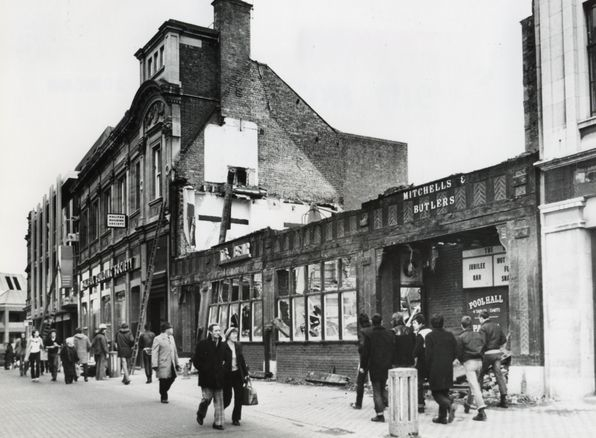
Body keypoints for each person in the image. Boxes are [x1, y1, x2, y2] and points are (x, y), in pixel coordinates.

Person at [193, 323, 229, 431]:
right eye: (216, 331)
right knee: (206, 398)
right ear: (210, 332)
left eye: (219, 331)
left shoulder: (223, 345)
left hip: (219, 378)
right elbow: (196, 360)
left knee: (219, 401)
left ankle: (218, 423)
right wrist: (204, 369)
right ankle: (201, 413)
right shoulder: (202, 344)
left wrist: (224, 370)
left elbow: (227, 359)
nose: (218, 333)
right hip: (206, 377)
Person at [361, 313, 394, 423]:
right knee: (383, 387)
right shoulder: (389, 334)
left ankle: (380, 415)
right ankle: (395, 408)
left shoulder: (370, 335)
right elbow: (392, 349)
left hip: (374, 365)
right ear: (382, 321)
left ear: (372, 321)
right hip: (386, 365)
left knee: (376, 391)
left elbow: (365, 353)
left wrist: (363, 366)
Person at [425, 314, 457, 425]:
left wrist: (427, 370)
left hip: (435, 367)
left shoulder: (430, 336)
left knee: (436, 392)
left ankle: (449, 405)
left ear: (432, 324)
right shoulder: (450, 335)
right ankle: (442, 417)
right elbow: (455, 352)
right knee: (444, 391)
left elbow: (428, 355)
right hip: (447, 367)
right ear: (443, 323)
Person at [457, 315, 487, 421]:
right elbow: (484, 347)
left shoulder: (461, 337)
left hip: (469, 363)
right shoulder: (478, 335)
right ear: (472, 325)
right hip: (480, 362)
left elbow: (458, 352)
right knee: (473, 384)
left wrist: (462, 361)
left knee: (475, 387)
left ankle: (482, 412)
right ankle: (468, 405)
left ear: (462, 326)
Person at [478, 310, 508, 408]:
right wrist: (499, 348)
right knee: (499, 375)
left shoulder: (483, 328)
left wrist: (480, 354)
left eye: (479, 319)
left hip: (487, 354)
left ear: (482, 318)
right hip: (497, 353)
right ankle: (504, 400)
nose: (479, 321)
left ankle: (479, 400)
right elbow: (504, 340)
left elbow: (482, 343)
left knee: (480, 374)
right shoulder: (497, 326)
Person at [223, 327, 249, 426]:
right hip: (227, 376)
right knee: (227, 398)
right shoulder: (223, 346)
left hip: (238, 374)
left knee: (239, 397)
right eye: (233, 334)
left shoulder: (238, 345)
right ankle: (219, 411)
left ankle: (236, 418)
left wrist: (246, 374)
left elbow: (241, 360)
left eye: (236, 334)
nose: (235, 336)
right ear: (228, 335)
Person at [152, 322, 180, 403]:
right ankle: (164, 396)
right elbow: (154, 352)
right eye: (171, 328)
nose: (172, 329)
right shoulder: (158, 338)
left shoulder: (171, 338)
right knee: (163, 380)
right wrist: (154, 364)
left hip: (171, 362)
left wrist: (177, 363)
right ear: (166, 329)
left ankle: (163, 391)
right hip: (163, 363)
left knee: (173, 377)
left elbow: (175, 351)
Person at [351, 313, 372, 410]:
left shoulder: (362, 332)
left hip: (365, 359)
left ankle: (358, 403)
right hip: (374, 358)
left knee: (360, 381)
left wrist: (359, 349)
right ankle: (383, 402)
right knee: (377, 381)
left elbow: (362, 347)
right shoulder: (372, 329)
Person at [412, 313, 431, 413]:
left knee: (419, 384)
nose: (413, 325)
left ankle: (420, 405)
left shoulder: (420, 335)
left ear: (420, 324)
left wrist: (413, 357)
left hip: (422, 362)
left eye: (415, 323)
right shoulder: (430, 331)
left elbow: (417, 350)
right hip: (431, 361)